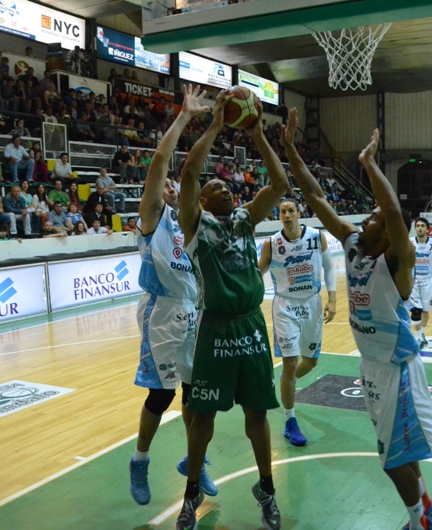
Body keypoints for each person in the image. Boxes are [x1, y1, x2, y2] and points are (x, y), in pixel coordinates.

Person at [284, 111, 432, 530]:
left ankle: (419, 522)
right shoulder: (355, 244)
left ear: (390, 232)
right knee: (396, 450)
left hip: (397, 369)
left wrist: (371, 164)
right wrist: (289, 150)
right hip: (370, 363)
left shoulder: (398, 259)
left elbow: (392, 210)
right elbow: (316, 195)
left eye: (374, 216)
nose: (367, 218)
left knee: (391, 459)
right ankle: (427, 503)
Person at [175, 91, 289, 530]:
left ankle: (267, 490)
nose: (225, 189)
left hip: (251, 326)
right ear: (202, 202)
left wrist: (259, 134)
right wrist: (216, 126)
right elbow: (188, 173)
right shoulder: (195, 224)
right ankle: (191, 494)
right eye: (216, 187)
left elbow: (278, 186)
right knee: (202, 417)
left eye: (226, 186)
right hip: (215, 328)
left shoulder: (244, 219)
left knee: (257, 413)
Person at [128, 84, 217, 508]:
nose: (170, 189)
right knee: (161, 395)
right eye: (165, 187)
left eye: (174, 188)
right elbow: (161, 163)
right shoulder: (153, 218)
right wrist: (184, 117)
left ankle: (195, 462)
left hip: (193, 314)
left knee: (195, 394)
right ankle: (139, 459)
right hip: (161, 312)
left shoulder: (193, 221)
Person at [257, 199, 337, 447]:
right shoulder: (271, 243)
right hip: (285, 307)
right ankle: (290, 421)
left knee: (311, 362)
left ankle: (285, 383)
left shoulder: (316, 237)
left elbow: (329, 268)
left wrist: (332, 300)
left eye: (291, 210)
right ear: (278, 215)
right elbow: (256, 274)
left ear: (299, 213)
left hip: (312, 303)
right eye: (282, 211)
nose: (287, 215)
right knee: (290, 363)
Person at [409, 217, 432, 349]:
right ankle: (419, 338)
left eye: (422, 226)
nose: (419, 228)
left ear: (427, 229)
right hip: (414, 282)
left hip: (428, 281)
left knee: (426, 312)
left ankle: (423, 334)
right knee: (416, 311)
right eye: (417, 226)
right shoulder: (410, 243)